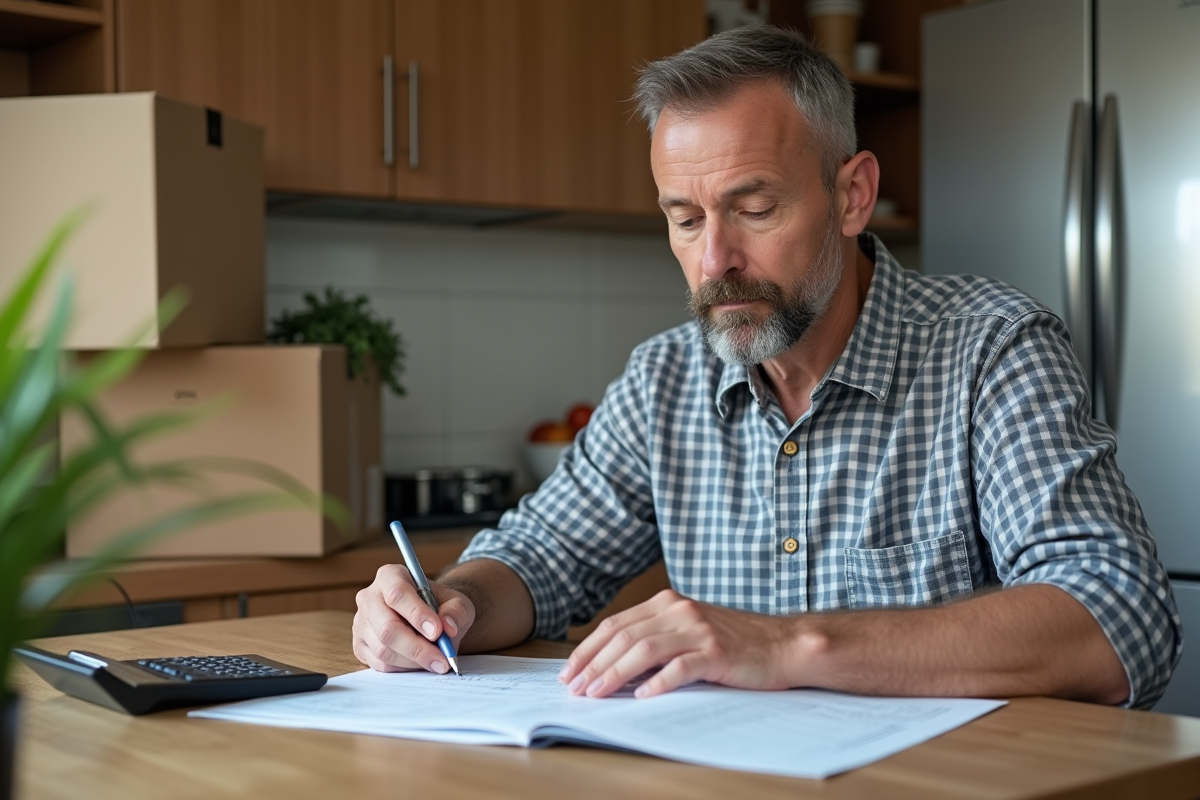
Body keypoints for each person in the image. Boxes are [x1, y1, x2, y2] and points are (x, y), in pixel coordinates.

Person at [353, 26, 1180, 709]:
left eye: (754, 209)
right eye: (685, 219)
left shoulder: (990, 349)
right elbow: (541, 557)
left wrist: (784, 644)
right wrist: (452, 603)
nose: (715, 260)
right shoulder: (664, 380)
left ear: (852, 195)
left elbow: (1118, 617)